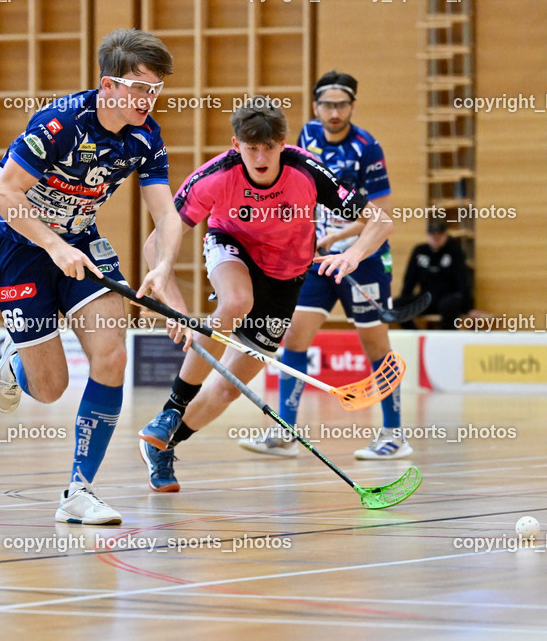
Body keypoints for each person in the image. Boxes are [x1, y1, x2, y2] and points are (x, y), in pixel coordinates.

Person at [0, 28, 183, 524]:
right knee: (48, 388)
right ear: (108, 85)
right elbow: (5, 196)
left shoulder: (145, 135)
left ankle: (79, 491)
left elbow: (168, 214)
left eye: (155, 88)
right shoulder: (60, 123)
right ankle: (16, 365)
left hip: (81, 238)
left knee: (112, 355)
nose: (147, 99)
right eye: (139, 87)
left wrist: (163, 266)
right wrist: (51, 244)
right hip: (18, 243)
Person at [137, 96, 393, 492]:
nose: (260, 158)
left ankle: (165, 445)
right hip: (231, 249)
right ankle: (170, 412)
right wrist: (178, 311)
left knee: (228, 388)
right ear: (235, 144)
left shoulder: (306, 170)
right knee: (237, 301)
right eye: (250, 148)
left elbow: (378, 220)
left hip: (286, 276)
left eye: (269, 148)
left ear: (283, 142)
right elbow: (157, 244)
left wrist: (355, 256)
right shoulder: (215, 177)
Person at [239, 71, 411, 461]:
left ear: (352, 106)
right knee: (295, 338)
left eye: (342, 105)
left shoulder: (368, 148)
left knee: (375, 346)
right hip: (315, 260)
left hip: (361, 259)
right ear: (316, 106)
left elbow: (381, 215)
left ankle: (394, 434)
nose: (334, 112)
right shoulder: (308, 137)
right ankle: (285, 433)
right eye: (327, 105)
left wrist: (334, 240)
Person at [397, 217, 473, 329]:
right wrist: (405, 299)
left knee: (450, 304)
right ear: (427, 236)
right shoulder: (419, 251)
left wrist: (468, 308)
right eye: (433, 236)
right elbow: (410, 278)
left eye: (439, 236)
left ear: (445, 235)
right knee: (397, 305)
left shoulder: (454, 251)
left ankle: (446, 340)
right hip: (426, 298)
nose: (435, 239)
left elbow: (462, 279)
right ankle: (416, 337)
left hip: (447, 297)